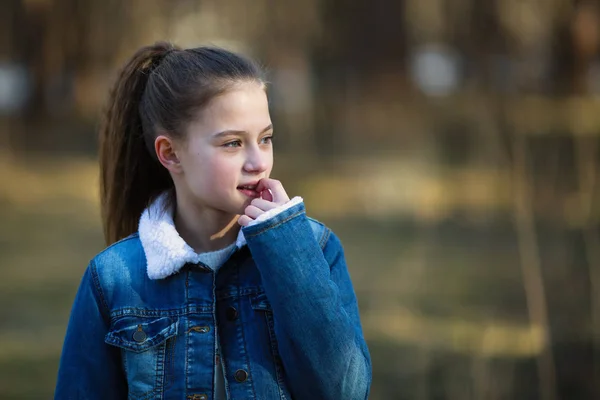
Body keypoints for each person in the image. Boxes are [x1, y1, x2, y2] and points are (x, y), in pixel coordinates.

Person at [54, 41, 371, 400]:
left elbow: (345, 391)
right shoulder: (111, 278)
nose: (258, 162)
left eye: (265, 139)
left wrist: (287, 247)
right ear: (170, 153)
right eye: (232, 143)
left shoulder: (316, 248)